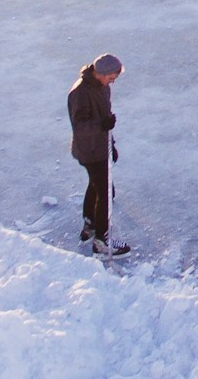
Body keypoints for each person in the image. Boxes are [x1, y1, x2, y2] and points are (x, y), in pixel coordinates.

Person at [68, 53, 130, 256]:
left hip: (100, 146)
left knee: (95, 186)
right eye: (112, 76)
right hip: (90, 149)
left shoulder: (102, 88)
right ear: (101, 73)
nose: (113, 81)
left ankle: (90, 224)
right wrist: (101, 126)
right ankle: (101, 241)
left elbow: (105, 118)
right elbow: (80, 127)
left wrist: (111, 143)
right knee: (105, 193)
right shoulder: (80, 93)